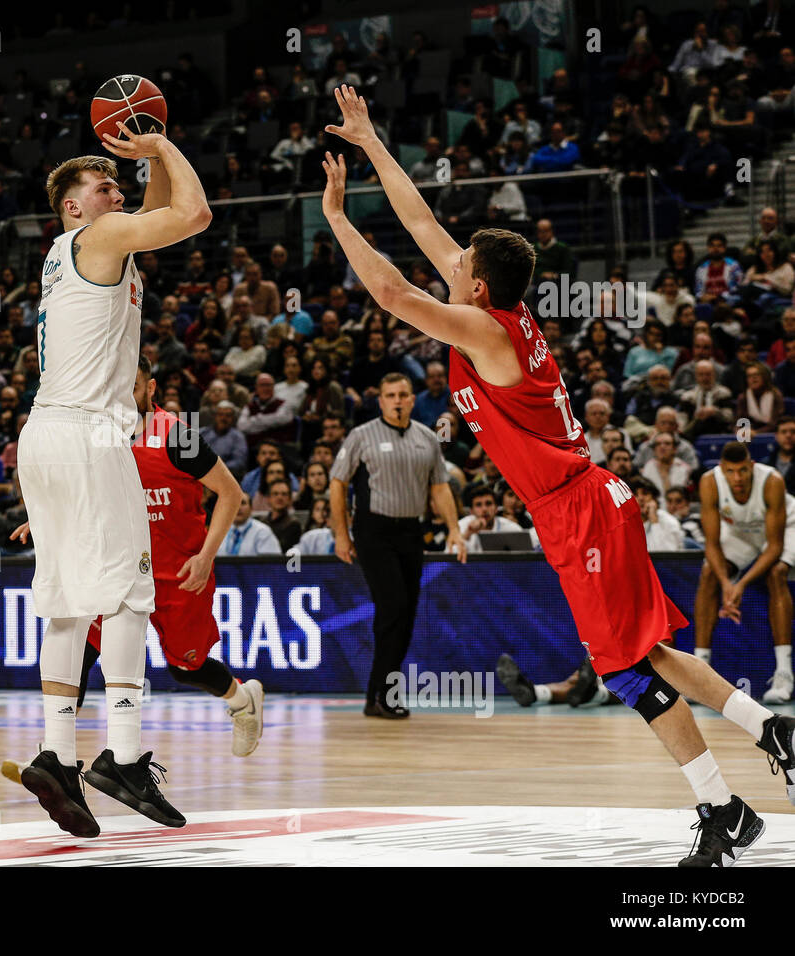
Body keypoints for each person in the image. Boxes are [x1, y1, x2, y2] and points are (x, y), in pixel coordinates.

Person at [322, 84, 793, 866]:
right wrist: (371, 142)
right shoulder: (491, 312)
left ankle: (722, 802)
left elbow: (389, 290)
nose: (452, 258)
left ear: (476, 286)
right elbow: (421, 225)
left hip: (581, 508)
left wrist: (337, 217)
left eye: (462, 260)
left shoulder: (481, 331)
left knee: (624, 672)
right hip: (590, 499)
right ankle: (762, 741)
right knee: (647, 657)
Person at [13, 129, 209, 839]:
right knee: (129, 593)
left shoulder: (78, 253)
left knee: (67, 604)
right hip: (92, 434)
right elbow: (193, 214)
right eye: (104, 187)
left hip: (44, 435)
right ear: (73, 207)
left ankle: (57, 757)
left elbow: (151, 221)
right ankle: (123, 757)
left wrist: (146, 163)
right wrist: (161, 141)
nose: (117, 193)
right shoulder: (98, 239)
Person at [6, 357, 256, 769]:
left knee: (187, 667)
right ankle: (55, 757)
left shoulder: (178, 435)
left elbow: (230, 493)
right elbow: (85, 495)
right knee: (81, 650)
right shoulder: (101, 435)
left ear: (151, 387)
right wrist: (41, 517)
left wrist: (205, 556)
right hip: (119, 569)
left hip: (179, 573)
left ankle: (243, 701)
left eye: (133, 385)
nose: (123, 393)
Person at [329, 373, 466, 717]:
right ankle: (385, 695)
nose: (398, 400)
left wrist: (454, 530)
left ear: (413, 398)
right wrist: (341, 534)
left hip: (410, 531)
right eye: (390, 395)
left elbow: (439, 487)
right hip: (373, 530)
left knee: (404, 614)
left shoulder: (427, 438)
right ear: (381, 401)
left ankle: (375, 695)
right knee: (392, 608)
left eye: (403, 394)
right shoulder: (361, 435)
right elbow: (337, 482)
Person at [696, 442, 795, 704]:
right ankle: (698, 671)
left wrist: (739, 585)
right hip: (741, 533)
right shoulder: (709, 482)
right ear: (721, 469)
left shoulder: (772, 481)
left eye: (742, 471)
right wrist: (727, 583)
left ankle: (784, 673)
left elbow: (774, 547)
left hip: (785, 528)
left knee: (776, 573)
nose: (737, 478)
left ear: (751, 466)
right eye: (730, 471)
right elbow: (712, 544)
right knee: (708, 574)